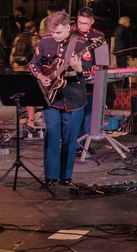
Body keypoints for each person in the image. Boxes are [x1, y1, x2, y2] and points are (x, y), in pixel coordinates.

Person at [30, 10, 92, 188]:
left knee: (70, 139)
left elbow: (87, 71)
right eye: (53, 32)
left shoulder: (81, 43)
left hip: (73, 98)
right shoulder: (45, 40)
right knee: (51, 136)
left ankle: (66, 176)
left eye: (58, 32)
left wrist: (79, 68)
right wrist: (41, 77)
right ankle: (50, 177)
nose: (55, 36)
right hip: (50, 98)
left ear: (68, 28)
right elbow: (34, 63)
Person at [73, 7, 106, 143]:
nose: (82, 26)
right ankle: (74, 144)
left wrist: (98, 66)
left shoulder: (98, 36)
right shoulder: (71, 34)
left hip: (92, 81)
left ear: (92, 21)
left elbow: (103, 59)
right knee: (75, 114)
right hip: (74, 80)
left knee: (90, 113)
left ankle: (87, 144)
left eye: (85, 23)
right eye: (80, 22)